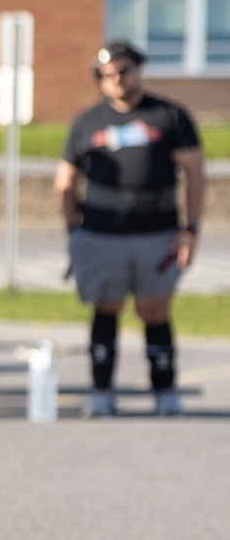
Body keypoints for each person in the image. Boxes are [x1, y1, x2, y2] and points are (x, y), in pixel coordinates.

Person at [55, 40, 205, 417]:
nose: (118, 79)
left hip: (157, 231)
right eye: (108, 74)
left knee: (154, 310)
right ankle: (102, 394)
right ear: (100, 80)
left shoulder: (169, 115)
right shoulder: (87, 121)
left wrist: (192, 229)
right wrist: (71, 229)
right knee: (106, 307)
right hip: (101, 232)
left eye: (124, 70)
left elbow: (196, 174)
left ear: (138, 70)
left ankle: (165, 394)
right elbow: (65, 177)